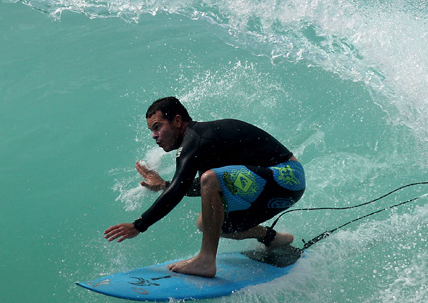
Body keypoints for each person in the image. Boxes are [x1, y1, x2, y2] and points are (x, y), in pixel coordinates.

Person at [104, 97, 305, 278]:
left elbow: (182, 190)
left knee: (209, 180)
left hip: (287, 176)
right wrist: (164, 185)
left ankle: (206, 260)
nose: (154, 135)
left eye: (158, 127)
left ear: (177, 121)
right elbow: (199, 188)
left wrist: (138, 225)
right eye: (151, 131)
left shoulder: (197, 139)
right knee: (208, 223)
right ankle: (272, 238)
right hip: (277, 190)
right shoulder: (199, 144)